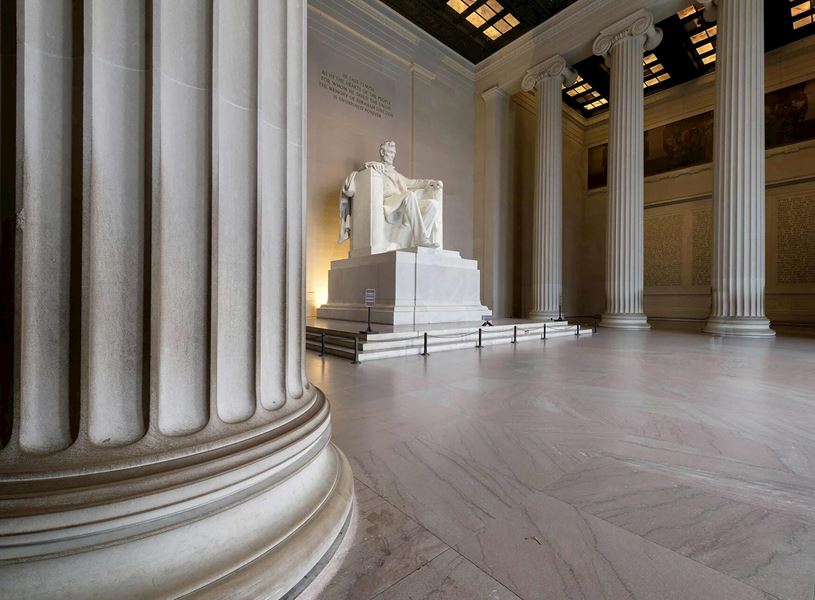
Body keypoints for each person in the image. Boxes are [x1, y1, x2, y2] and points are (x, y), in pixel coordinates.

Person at [339, 140, 442, 249]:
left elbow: (414, 183)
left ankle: (416, 241)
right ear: (383, 153)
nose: (392, 155)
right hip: (389, 202)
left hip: (403, 202)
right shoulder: (376, 167)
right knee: (410, 195)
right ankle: (421, 240)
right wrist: (368, 166)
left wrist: (431, 182)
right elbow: (359, 173)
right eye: (390, 152)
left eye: (394, 153)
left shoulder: (396, 174)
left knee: (433, 204)